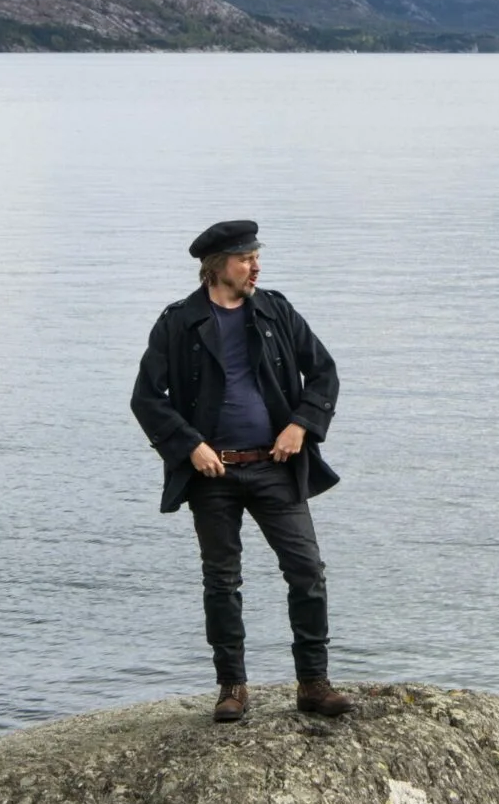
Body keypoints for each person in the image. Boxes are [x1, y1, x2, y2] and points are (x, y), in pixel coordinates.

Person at [130, 219, 355, 722]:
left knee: (307, 572)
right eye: (245, 259)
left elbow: (323, 371)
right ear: (216, 267)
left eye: (257, 256)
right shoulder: (178, 322)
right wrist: (190, 447)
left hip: (277, 467)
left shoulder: (275, 309)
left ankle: (314, 684)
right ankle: (232, 687)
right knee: (221, 581)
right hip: (214, 476)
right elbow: (146, 398)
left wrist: (301, 425)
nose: (256, 266)